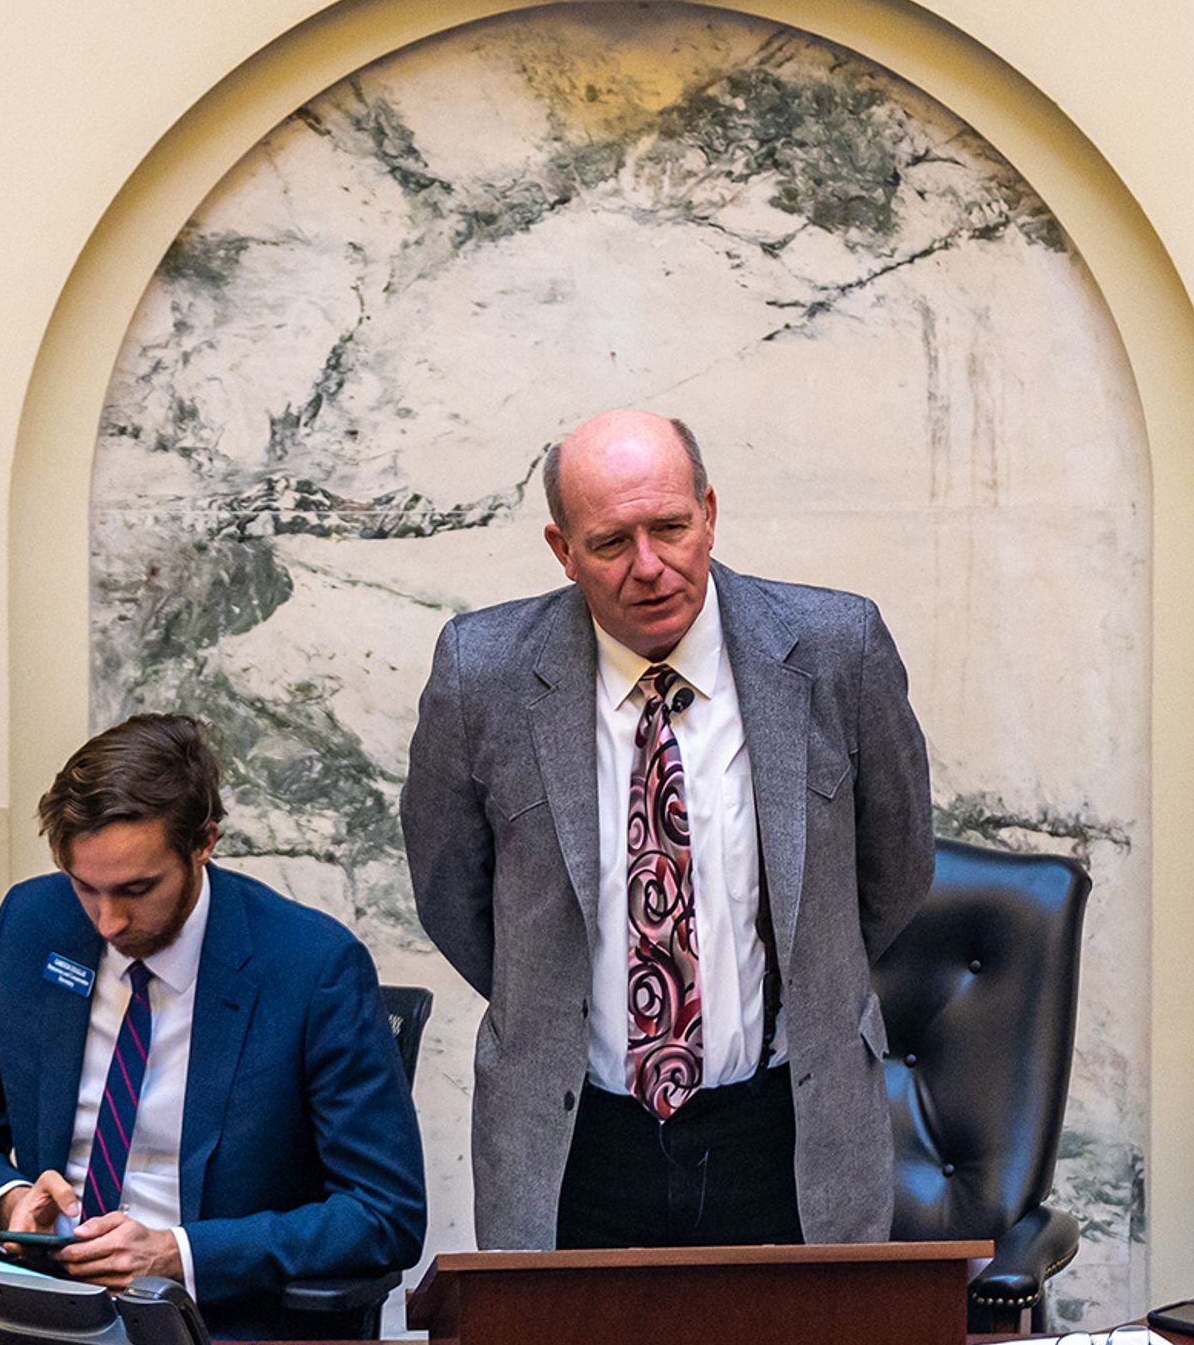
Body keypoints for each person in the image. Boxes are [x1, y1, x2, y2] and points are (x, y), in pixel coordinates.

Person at [399, 410, 934, 1250]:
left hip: (787, 1124)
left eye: (672, 528)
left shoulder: (836, 651)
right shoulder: (484, 672)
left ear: (710, 513)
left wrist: (813, 984)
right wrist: (552, 998)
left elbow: (895, 867)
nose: (649, 567)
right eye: (611, 542)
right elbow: (450, 891)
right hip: (576, 1141)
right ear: (561, 548)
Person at [0, 714, 426, 1341]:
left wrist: (177, 1255)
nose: (107, 921)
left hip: (219, 1326)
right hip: (42, 1309)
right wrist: (9, 1202)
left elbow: (383, 1213)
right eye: (86, 888)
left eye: (137, 889)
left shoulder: (310, 966)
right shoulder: (32, 924)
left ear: (203, 843)